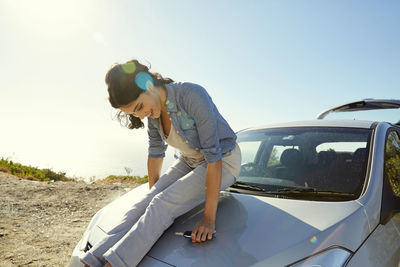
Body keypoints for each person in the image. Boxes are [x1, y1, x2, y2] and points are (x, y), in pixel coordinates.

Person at [80, 59, 241, 267]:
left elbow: (213, 157)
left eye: (139, 107)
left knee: (161, 205)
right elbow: (155, 154)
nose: (141, 115)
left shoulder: (192, 95)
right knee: (142, 204)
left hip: (223, 160)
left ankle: (115, 264)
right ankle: (92, 261)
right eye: (134, 113)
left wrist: (209, 219)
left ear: (148, 85)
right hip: (190, 161)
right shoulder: (153, 114)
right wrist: (151, 200)